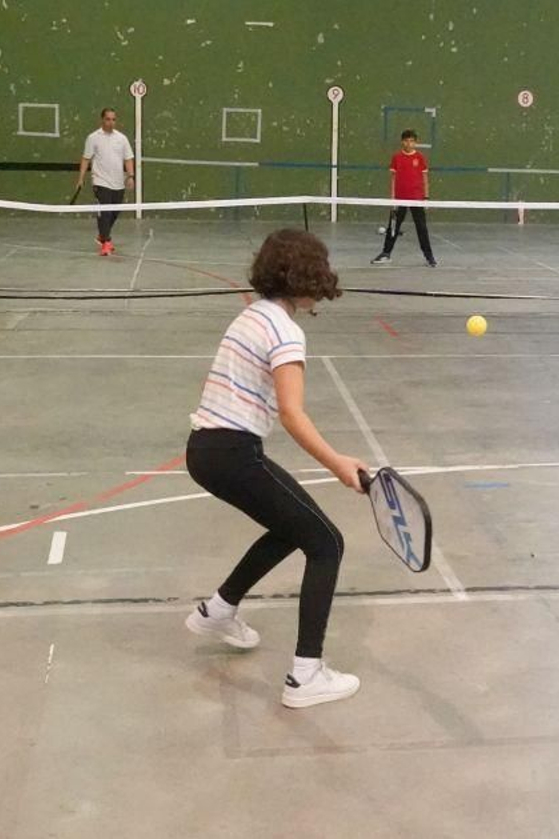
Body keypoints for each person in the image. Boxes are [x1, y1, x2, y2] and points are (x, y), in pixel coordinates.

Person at [183, 229, 370, 708]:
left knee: (294, 528)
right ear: (308, 276)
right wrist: (338, 464)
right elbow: (292, 413)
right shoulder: (286, 331)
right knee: (327, 542)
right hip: (232, 453)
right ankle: (305, 676)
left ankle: (219, 610)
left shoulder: (252, 314)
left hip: (207, 450)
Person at [371, 129, 437, 267]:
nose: (409, 143)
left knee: (422, 228)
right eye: (406, 140)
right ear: (402, 142)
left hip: (417, 199)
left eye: (412, 141)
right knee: (393, 227)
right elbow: (393, 180)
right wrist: (393, 200)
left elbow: (425, 178)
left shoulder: (420, 158)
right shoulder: (396, 158)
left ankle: (429, 257)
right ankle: (386, 254)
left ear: (416, 143)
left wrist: (426, 197)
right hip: (399, 199)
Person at [75, 108, 135, 256]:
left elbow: (128, 158)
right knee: (105, 212)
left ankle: (102, 235)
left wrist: (130, 176)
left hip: (118, 182)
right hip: (100, 181)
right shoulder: (93, 138)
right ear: (102, 120)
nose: (111, 122)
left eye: (113, 119)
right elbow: (86, 159)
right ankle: (106, 242)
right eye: (108, 119)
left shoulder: (122, 139)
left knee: (114, 212)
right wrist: (81, 178)